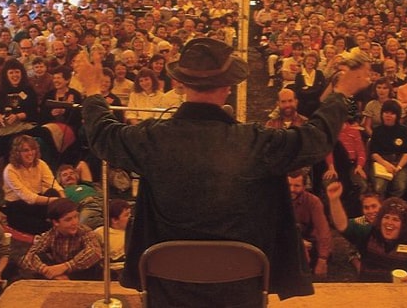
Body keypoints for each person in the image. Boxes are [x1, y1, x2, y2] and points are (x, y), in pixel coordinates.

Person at [83, 38, 370, 303]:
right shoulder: (255, 142)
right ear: (228, 87)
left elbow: (103, 136)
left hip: (167, 288)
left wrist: (94, 93)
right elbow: (315, 138)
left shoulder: (152, 139)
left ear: (179, 83)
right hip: (240, 288)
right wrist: (341, 92)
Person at [327, 181, 407, 282]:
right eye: (386, 217)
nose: (389, 223)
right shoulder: (368, 232)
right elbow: (342, 225)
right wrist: (334, 200)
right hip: (368, 291)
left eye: (395, 219)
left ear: (404, 225)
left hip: (400, 293)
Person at [20, 198, 102, 280]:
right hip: (60, 275)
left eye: (76, 217)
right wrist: (48, 271)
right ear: (56, 222)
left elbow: (95, 252)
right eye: (68, 219)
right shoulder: (50, 235)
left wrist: (66, 266)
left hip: (83, 274)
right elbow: (29, 257)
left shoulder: (84, 231)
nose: (74, 222)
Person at [2, 135, 62, 235]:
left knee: (53, 192)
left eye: (32, 149)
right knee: (43, 227)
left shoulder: (40, 164)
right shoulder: (10, 170)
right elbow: (28, 197)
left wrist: (63, 199)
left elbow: (53, 183)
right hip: (18, 207)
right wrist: (54, 201)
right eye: (26, 150)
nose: (30, 153)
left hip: (38, 203)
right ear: (17, 153)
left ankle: (57, 221)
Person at [287, 171, 332, 278]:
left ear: (304, 186)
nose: (292, 189)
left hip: (309, 241)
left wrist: (323, 259)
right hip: (286, 240)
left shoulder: (313, 202)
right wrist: (298, 242)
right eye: (289, 185)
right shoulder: (277, 200)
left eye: (296, 186)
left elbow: (323, 230)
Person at [369, 100, 407, 199]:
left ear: (397, 115)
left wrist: (398, 167)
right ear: (382, 114)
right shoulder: (377, 131)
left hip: (400, 163)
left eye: (392, 113)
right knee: (379, 187)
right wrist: (386, 164)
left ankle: (392, 205)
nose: (388, 115)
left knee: (400, 186)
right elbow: (374, 153)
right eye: (386, 113)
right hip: (381, 163)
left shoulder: (403, 130)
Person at [93, 199, 131, 273]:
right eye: (126, 215)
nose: (130, 217)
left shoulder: (134, 232)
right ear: (114, 220)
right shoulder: (101, 232)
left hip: (129, 269)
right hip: (110, 271)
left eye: (130, 214)